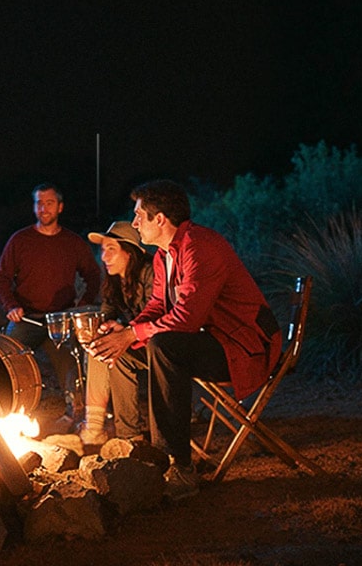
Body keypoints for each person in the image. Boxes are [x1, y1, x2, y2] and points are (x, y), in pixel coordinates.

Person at [87, 180, 281, 501]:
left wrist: (132, 333)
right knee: (122, 352)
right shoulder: (164, 255)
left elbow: (186, 319)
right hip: (214, 340)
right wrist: (126, 334)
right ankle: (134, 444)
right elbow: (158, 307)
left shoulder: (199, 247)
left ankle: (179, 466)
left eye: (139, 217)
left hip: (245, 347)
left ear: (160, 219)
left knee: (164, 347)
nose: (135, 224)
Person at [0, 184, 103, 411]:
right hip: (26, 318)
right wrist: (11, 305)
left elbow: (93, 274)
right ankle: (5, 409)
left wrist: (83, 305)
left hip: (61, 319)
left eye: (49, 203)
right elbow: (0, 278)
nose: (44, 208)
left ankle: (77, 413)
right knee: (8, 359)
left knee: (72, 366)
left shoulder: (72, 242)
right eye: (39, 203)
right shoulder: (20, 240)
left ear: (60, 207)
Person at [77, 221, 152, 445]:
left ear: (130, 253)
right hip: (136, 339)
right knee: (100, 345)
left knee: (112, 349)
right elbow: (108, 309)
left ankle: (128, 434)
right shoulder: (114, 280)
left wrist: (125, 330)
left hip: (159, 342)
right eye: (103, 250)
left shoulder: (150, 272)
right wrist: (105, 326)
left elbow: (156, 314)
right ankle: (95, 427)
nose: (104, 257)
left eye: (111, 249)